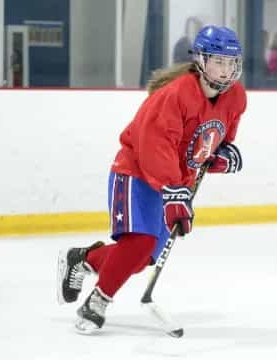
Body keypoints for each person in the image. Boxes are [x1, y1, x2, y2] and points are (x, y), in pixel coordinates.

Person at [57, 25, 246, 334]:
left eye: (230, 62)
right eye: (218, 61)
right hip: (137, 171)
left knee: (142, 257)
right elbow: (155, 147)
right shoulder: (176, 95)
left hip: (173, 181)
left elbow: (211, 142)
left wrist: (219, 155)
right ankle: (97, 302)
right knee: (140, 242)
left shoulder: (236, 98)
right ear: (201, 60)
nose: (225, 70)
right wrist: (174, 191)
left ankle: (83, 259)